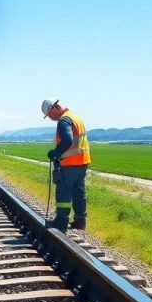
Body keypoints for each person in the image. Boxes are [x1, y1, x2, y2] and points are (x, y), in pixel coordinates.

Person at [41, 99, 91, 231]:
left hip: (70, 163)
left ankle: (61, 222)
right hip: (82, 162)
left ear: (55, 107)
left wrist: (56, 152)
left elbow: (68, 140)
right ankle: (80, 221)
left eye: (50, 115)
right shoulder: (75, 117)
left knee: (64, 193)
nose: (51, 119)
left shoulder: (64, 120)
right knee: (78, 192)